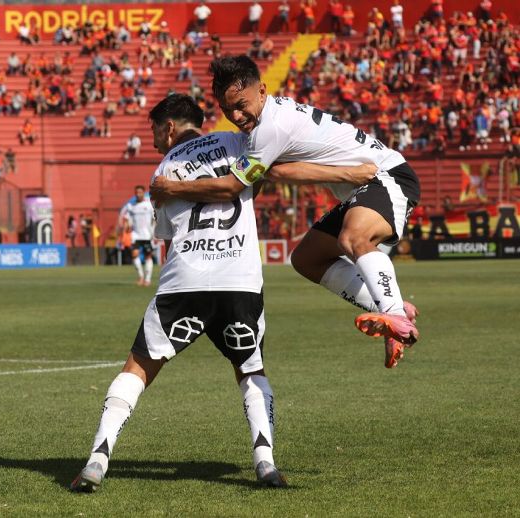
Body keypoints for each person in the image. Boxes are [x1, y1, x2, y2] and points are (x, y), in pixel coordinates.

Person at [71, 94, 287, 492]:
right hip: (239, 278)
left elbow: (169, 235)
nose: (154, 141)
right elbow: (249, 188)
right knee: (250, 370)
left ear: (169, 127)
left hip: (185, 279)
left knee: (137, 368)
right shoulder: (240, 143)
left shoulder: (165, 168)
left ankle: (98, 459)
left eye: (155, 131)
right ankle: (265, 462)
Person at [152, 56, 420, 368]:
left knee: (355, 238)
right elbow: (272, 173)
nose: (237, 116)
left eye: (242, 104)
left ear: (262, 91)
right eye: (228, 110)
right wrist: (344, 175)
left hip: (387, 176)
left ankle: (398, 319)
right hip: (363, 186)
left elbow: (231, 187)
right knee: (307, 259)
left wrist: (171, 189)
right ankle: (394, 307)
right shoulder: (268, 122)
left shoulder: (270, 128)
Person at [119, 185, 154, 286]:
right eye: (137, 193)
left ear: (143, 193)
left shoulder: (149, 205)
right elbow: (127, 220)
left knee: (148, 256)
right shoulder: (131, 206)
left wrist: (154, 232)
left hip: (147, 235)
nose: (138, 194)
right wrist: (125, 231)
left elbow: (154, 219)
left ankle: (147, 279)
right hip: (135, 235)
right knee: (134, 254)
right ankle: (141, 276)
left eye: (140, 192)